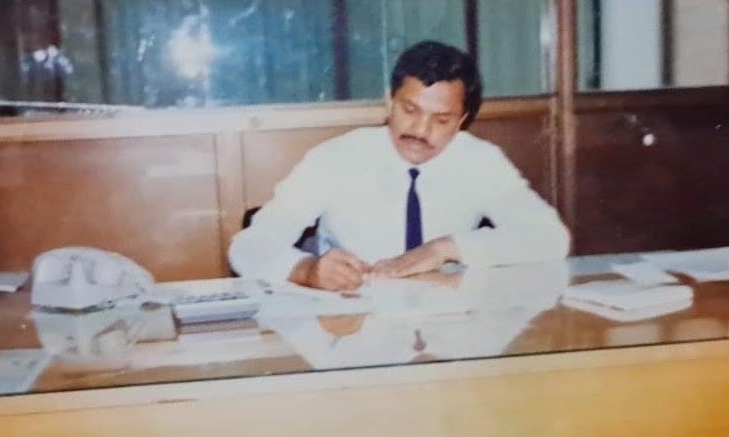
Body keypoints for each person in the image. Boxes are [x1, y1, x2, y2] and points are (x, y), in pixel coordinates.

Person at [229, 40, 570, 291]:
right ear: (389, 101)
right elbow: (248, 247)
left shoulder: (480, 161)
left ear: (463, 120)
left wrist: (446, 249)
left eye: (442, 119)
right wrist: (306, 270)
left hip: (448, 332)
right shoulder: (335, 159)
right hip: (354, 329)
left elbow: (551, 239)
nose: (420, 131)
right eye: (410, 110)